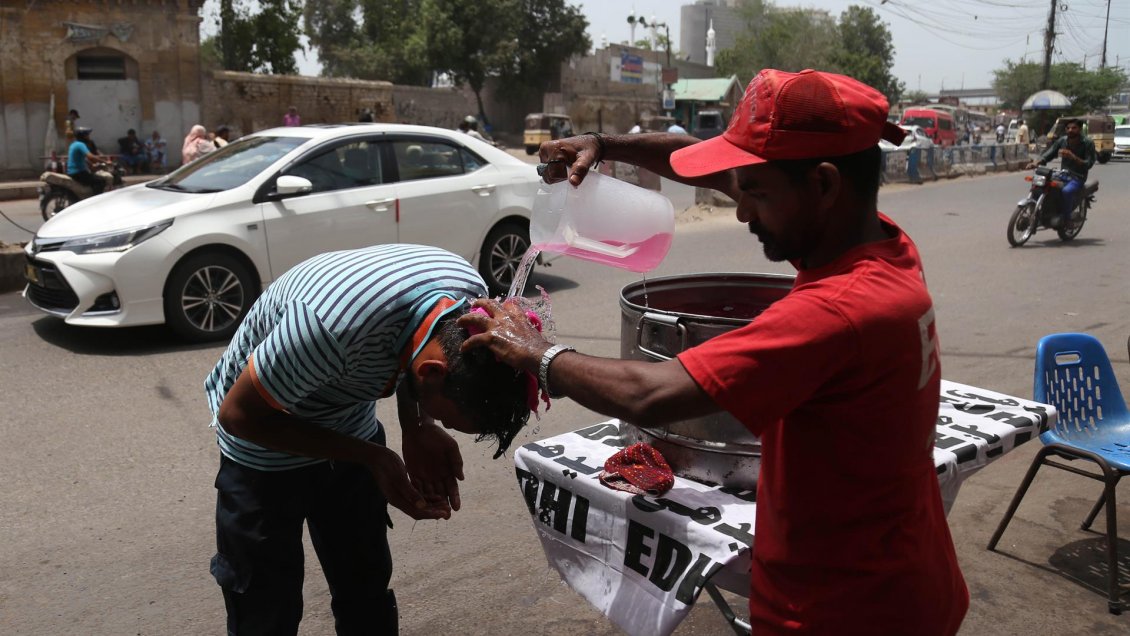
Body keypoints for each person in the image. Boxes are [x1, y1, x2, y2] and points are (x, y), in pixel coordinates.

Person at [463, 68, 968, 634]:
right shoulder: (879, 244)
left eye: (755, 193)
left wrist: (536, 353)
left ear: (825, 185)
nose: (741, 210)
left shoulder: (837, 310)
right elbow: (698, 159)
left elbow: (652, 393)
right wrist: (604, 147)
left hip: (848, 609)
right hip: (903, 577)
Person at [205, 243, 534, 634]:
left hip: (349, 422)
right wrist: (375, 457)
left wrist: (417, 427)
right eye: (446, 419)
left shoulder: (468, 305)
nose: (442, 424)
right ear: (430, 375)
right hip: (264, 440)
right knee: (265, 610)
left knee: (366, 592)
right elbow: (238, 416)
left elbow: (419, 343)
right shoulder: (327, 331)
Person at [1025, 118, 1095, 226]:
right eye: (1068, 128)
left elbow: (1089, 163)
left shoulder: (1088, 143)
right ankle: (1036, 212)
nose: (1070, 130)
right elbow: (1050, 152)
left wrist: (1073, 157)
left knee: (1066, 191)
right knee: (1039, 183)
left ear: (1080, 129)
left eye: (1074, 128)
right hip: (1062, 174)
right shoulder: (1062, 141)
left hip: (1077, 177)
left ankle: (1067, 219)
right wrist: (1037, 162)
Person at [66, 127, 112, 195]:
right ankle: (95, 202)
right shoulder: (80, 144)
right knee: (100, 182)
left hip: (73, 172)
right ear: (83, 136)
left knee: (94, 178)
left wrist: (91, 164)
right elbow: (90, 156)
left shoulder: (74, 144)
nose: (89, 137)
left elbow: (83, 158)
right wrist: (105, 162)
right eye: (87, 135)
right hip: (78, 173)